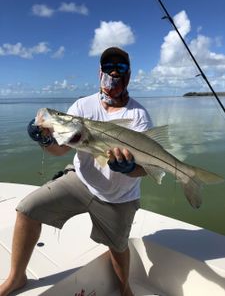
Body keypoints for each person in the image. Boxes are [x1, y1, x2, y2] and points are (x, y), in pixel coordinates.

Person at [0, 47, 152, 296]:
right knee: (27, 209)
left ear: (129, 75)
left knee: (118, 246)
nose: (113, 72)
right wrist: (46, 140)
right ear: (99, 72)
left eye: (120, 68)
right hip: (80, 181)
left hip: (118, 196)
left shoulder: (138, 115)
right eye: (108, 67)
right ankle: (16, 278)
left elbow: (144, 170)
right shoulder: (82, 105)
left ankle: (125, 289)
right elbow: (61, 150)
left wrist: (130, 167)